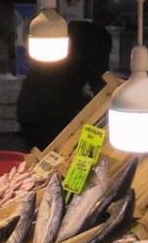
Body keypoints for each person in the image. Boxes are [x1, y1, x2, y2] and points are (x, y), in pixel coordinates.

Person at [17, 17, 113, 150]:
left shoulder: (69, 31)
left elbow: (62, 77)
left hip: (27, 106)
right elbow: (101, 84)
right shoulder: (99, 40)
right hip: (51, 112)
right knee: (62, 153)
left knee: (42, 155)